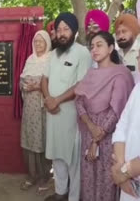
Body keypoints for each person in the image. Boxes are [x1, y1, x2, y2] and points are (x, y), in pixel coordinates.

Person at [75, 31, 134, 201]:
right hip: (89, 132)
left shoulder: (120, 74)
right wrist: (90, 127)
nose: (94, 49)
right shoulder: (90, 74)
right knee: (88, 177)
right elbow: (79, 102)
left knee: (106, 178)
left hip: (109, 139)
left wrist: (96, 141)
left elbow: (116, 111)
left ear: (110, 48)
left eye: (99, 45)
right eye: (92, 46)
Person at [41, 12, 92, 201]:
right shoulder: (53, 54)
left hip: (71, 116)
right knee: (57, 157)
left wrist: (57, 100)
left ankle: (73, 197)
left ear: (74, 32)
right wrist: (48, 99)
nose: (61, 33)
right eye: (59, 29)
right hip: (53, 114)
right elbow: (44, 79)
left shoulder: (82, 52)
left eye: (66, 29)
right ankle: (60, 194)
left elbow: (81, 84)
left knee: (73, 161)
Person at [19, 30, 52, 193]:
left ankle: (45, 176)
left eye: (41, 41)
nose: (38, 44)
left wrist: (37, 86)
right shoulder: (30, 59)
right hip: (29, 109)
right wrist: (24, 86)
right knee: (29, 141)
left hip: (43, 109)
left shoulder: (51, 59)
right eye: (36, 41)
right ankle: (32, 175)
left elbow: (55, 85)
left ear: (47, 43)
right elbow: (21, 81)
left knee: (42, 140)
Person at [111, 49, 140, 201]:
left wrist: (124, 172)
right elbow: (121, 127)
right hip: (128, 180)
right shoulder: (137, 88)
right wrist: (121, 168)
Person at [115, 14, 140, 80]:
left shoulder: (138, 51)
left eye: (124, 31)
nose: (120, 36)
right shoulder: (114, 54)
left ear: (134, 31)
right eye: (118, 33)